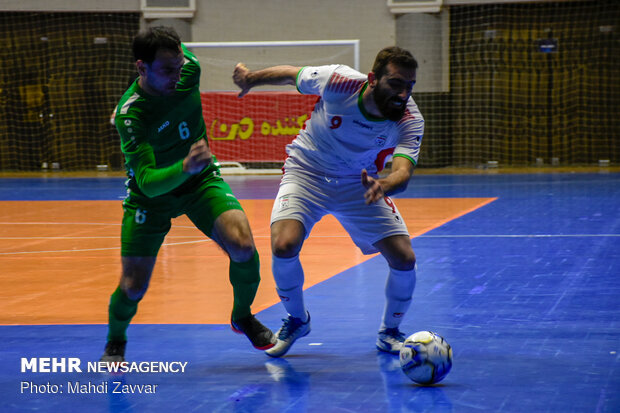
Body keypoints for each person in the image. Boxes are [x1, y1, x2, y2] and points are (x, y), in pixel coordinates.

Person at [232, 46, 423, 357]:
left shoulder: (410, 118)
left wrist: (384, 184)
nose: (403, 94)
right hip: (306, 172)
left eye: (410, 86)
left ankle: (389, 332)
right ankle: (297, 320)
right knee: (283, 245)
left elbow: (403, 172)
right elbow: (291, 74)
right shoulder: (339, 81)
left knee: (404, 258)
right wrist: (251, 78)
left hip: (360, 184)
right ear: (373, 79)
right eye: (396, 84)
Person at [101, 26, 275, 362]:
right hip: (152, 198)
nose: (178, 77)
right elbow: (148, 182)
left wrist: (247, 77)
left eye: (180, 66)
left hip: (199, 183)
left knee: (242, 245)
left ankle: (242, 316)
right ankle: (116, 339)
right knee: (133, 286)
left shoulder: (188, 68)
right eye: (167, 71)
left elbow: (183, 64)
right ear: (141, 68)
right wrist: (184, 166)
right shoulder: (131, 114)